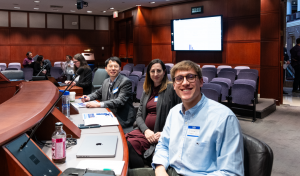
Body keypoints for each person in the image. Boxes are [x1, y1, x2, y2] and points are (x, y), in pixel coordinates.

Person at [128, 60, 244, 176]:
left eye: (190, 77)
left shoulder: (224, 118)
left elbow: (231, 173)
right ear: (174, 85)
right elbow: (163, 145)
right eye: (179, 79)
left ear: (201, 82)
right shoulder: (174, 112)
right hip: (170, 170)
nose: (185, 83)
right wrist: (160, 169)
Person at [126, 59, 181, 168]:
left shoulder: (172, 88)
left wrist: (165, 133)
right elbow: (139, 115)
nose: (155, 74)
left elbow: (180, 115)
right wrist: (146, 130)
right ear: (148, 73)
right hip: (145, 132)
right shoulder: (147, 90)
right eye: (152, 71)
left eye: (159, 71)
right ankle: (141, 169)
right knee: (124, 143)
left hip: (161, 133)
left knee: (130, 145)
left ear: (164, 72)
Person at [80, 56, 135, 128]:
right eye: (110, 66)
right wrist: (88, 97)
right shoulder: (106, 81)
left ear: (120, 69)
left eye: (116, 66)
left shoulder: (125, 82)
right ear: (106, 69)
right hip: (108, 113)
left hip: (121, 117)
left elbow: (120, 101)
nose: (113, 68)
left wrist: (99, 105)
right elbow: (98, 93)